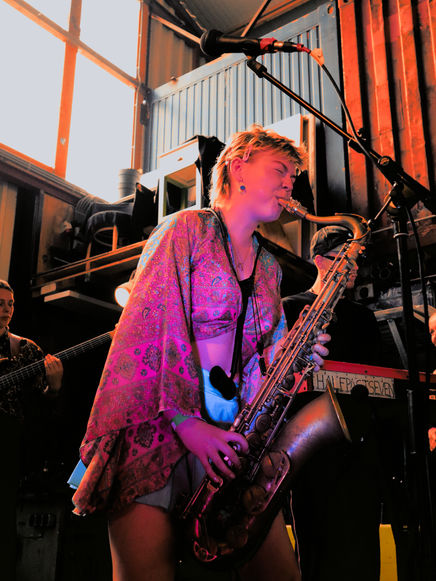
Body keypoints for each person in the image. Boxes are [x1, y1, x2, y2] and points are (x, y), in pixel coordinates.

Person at [71, 125, 331, 581]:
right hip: (156, 431)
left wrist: (286, 354)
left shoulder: (270, 267)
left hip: (229, 444)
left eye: (294, 175)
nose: (290, 183)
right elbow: (147, 329)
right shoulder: (185, 229)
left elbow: (257, 362)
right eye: (280, 169)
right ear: (239, 168)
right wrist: (186, 423)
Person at [282, 226, 385, 581]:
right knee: (317, 549)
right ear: (321, 261)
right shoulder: (291, 308)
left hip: (358, 449)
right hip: (311, 452)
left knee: (362, 550)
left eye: (355, 260)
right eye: (344, 258)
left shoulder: (364, 317)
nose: (354, 268)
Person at [0, 279, 63, 581]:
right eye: (0, 303)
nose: (6, 309)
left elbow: (44, 401)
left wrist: (54, 387)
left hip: (6, 438)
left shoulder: (25, 349)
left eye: (10, 304)